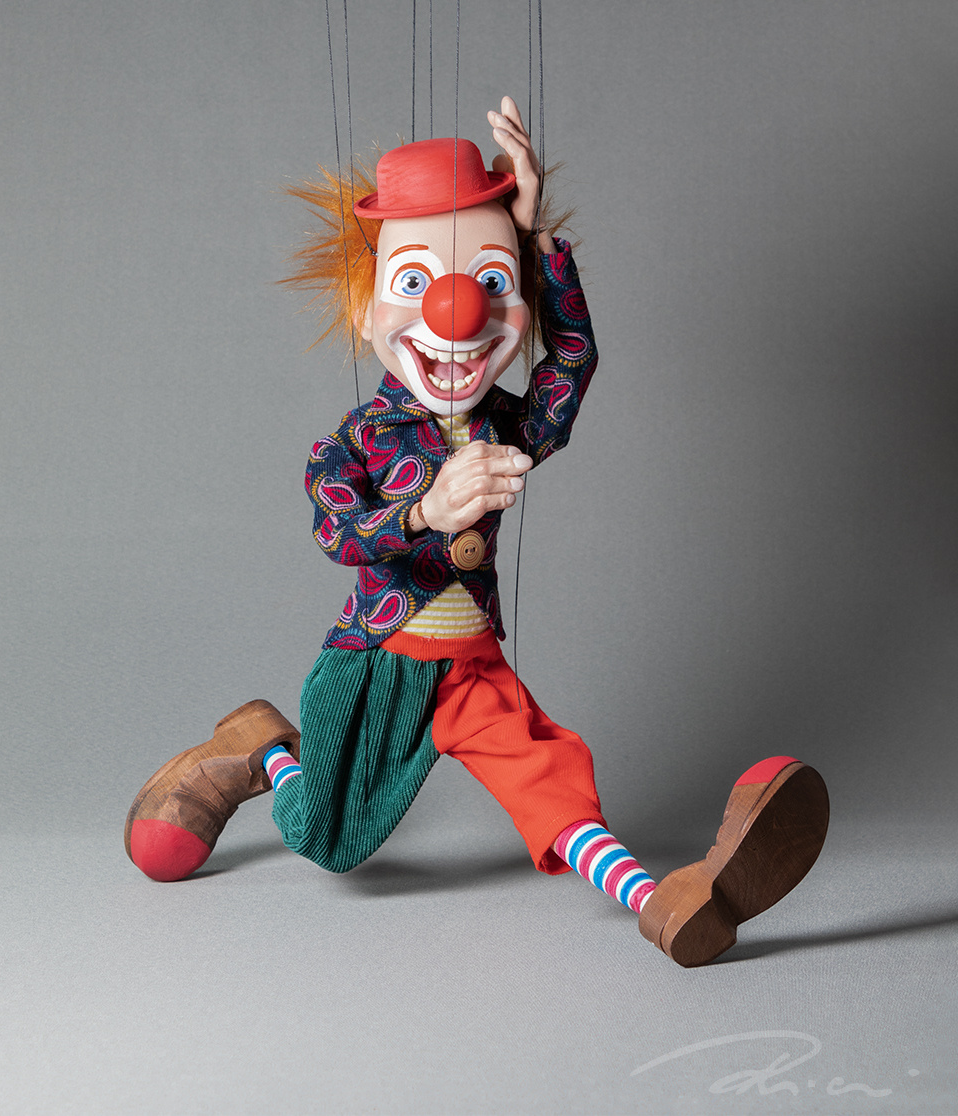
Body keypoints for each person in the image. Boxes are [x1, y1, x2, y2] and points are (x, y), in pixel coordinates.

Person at [125, 99, 828, 967]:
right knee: (325, 839)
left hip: (470, 665)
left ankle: (667, 903)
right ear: (368, 312)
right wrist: (427, 509)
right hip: (379, 661)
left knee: (550, 783)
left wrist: (533, 241)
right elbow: (340, 533)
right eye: (414, 284)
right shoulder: (353, 443)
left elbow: (571, 363)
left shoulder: (503, 424)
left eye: (491, 283)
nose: (458, 310)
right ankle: (263, 748)